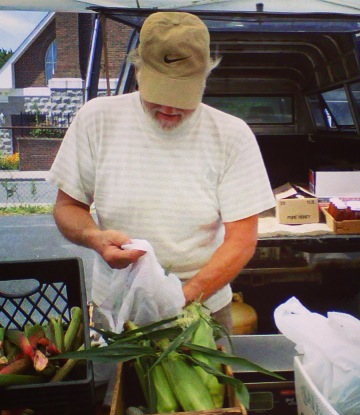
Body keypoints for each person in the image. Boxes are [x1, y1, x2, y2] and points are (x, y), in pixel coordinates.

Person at [47, 12, 275, 333]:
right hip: (117, 306)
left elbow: (242, 239)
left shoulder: (231, 134)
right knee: (115, 386)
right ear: (138, 69)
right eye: (159, 94)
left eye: (182, 96)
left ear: (205, 77)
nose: (169, 108)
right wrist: (95, 239)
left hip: (202, 307)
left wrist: (183, 299)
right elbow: (68, 207)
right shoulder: (97, 119)